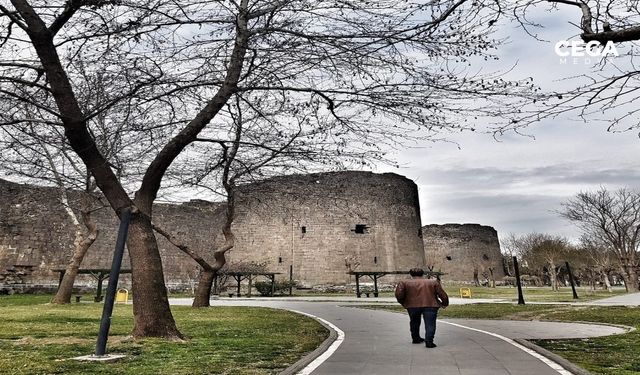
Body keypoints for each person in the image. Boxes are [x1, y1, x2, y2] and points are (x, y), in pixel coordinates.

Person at [394, 268, 449, 348]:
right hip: (430, 305)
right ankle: (429, 342)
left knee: (414, 322)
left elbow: (399, 294)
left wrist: (403, 302)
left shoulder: (404, 282)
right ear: (423, 274)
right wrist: (445, 303)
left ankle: (416, 338)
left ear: (411, 274)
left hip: (412, 305)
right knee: (430, 324)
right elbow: (442, 294)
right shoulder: (433, 282)